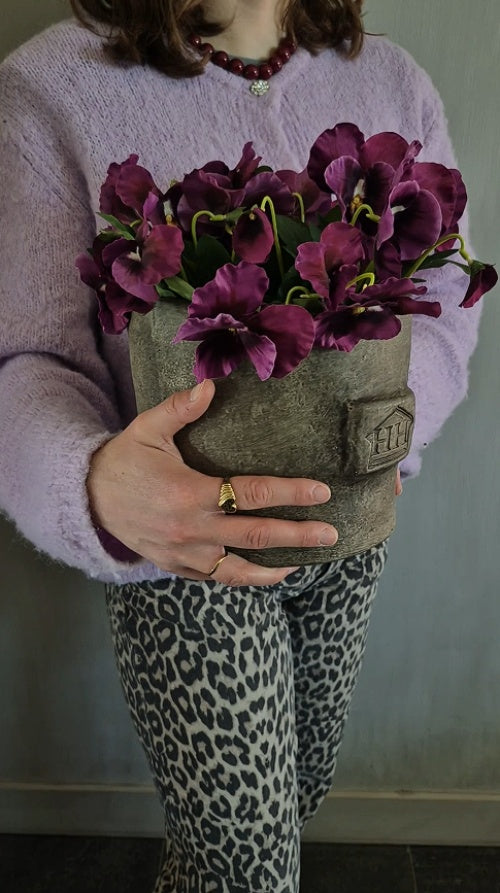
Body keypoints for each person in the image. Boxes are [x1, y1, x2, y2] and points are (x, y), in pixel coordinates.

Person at [0, 1, 482, 890]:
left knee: (294, 795)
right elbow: (28, 358)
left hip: (348, 527)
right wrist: (92, 484)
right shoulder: (51, 87)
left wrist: (385, 434)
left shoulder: (391, 81)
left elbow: (448, 298)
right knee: (249, 866)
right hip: (183, 550)